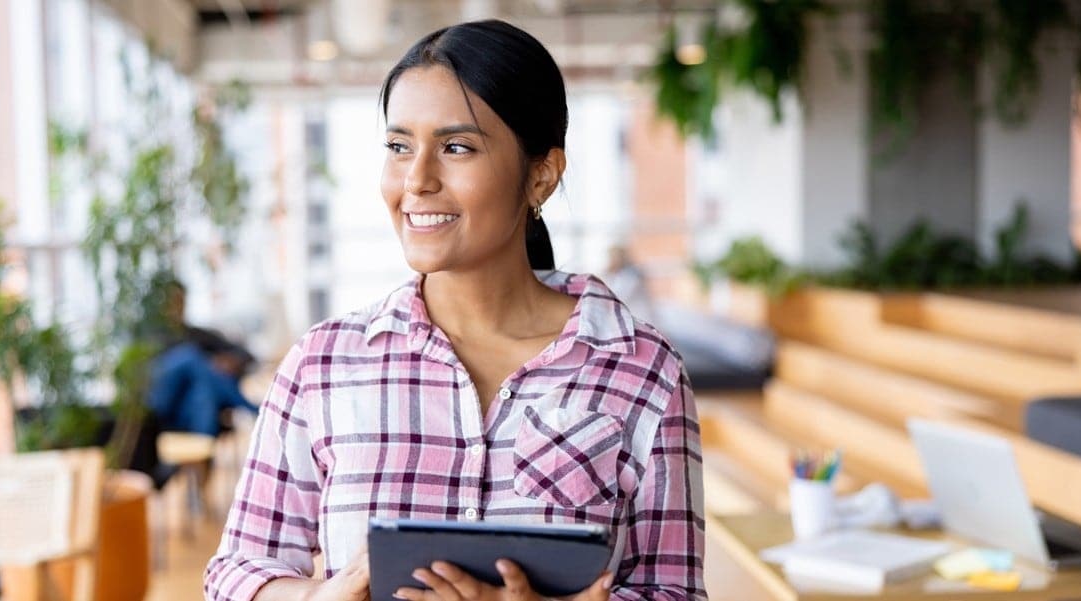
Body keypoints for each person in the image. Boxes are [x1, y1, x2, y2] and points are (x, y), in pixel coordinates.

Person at [205, 19, 706, 601]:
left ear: (540, 175)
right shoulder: (323, 365)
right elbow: (236, 572)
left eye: (456, 147)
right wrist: (320, 596)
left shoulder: (642, 369)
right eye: (399, 147)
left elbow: (675, 592)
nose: (416, 180)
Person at [147, 280, 259, 437]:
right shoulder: (151, 338)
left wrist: (230, 361)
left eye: (180, 301)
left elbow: (247, 355)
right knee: (190, 357)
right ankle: (254, 409)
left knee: (204, 390)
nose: (176, 307)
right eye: (171, 301)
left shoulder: (197, 335)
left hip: (185, 413)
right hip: (163, 404)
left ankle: (203, 451)